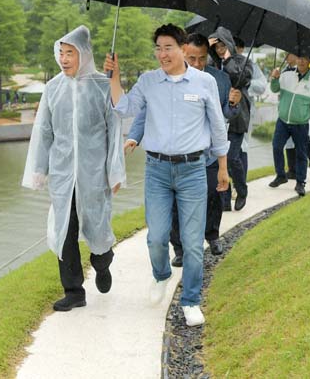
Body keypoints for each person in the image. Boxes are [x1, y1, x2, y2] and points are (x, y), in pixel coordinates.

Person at [104, 24, 229, 327]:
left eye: (168, 47)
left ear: (183, 48)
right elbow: (123, 107)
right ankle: (161, 275)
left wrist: (223, 167)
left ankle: (191, 301)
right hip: (157, 170)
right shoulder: (148, 82)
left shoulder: (203, 82)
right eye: (158, 48)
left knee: (192, 241)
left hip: (193, 171)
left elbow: (217, 126)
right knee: (157, 238)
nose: (162, 54)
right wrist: (114, 75)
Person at [22, 25, 125, 312]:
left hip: (94, 175)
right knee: (64, 230)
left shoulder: (102, 86)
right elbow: (43, 131)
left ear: (84, 55)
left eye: (71, 53)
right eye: (62, 53)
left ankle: (102, 263)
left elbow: (114, 131)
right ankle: (73, 291)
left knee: (98, 228)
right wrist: (39, 170)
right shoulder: (53, 88)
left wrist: (114, 171)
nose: (65, 59)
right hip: (63, 175)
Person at [124, 33, 239, 266]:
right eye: (192, 58)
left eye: (202, 58)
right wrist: (135, 137)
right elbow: (146, 112)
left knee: (214, 195)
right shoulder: (162, 80)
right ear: (183, 53)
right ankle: (179, 248)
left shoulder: (219, 79)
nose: (197, 63)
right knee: (176, 204)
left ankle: (212, 235)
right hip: (175, 157)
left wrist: (234, 103)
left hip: (208, 152)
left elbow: (225, 115)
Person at [208, 28, 256, 210]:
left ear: (230, 44)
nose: (220, 50)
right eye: (217, 46)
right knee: (221, 159)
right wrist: (208, 48)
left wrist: (228, 59)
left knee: (231, 157)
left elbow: (240, 79)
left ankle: (242, 190)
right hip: (218, 117)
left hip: (237, 118)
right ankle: (225, 199)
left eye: (223, 46)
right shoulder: (212, 62)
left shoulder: (243, 62)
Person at [268, 55, 310, 197]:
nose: (301, 61)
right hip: (283, 121)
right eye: (299, 58)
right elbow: (274, 89)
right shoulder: (286, 75)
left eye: (304, 59)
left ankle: (300, 182)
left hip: (301, 124)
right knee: (276, 146)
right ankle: (281, 175)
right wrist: (274, 78)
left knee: (301, 154)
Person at [282, 53, 310, 184]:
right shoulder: (286, 72)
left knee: (306, 142)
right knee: (289, 142)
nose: (286, 58)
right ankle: (292, 170)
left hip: (304, 116)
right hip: (288, 115)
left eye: (288, 55)